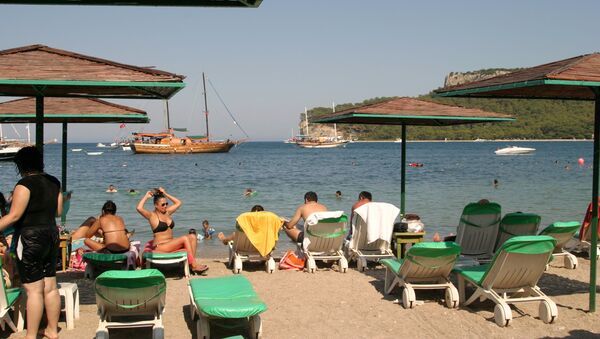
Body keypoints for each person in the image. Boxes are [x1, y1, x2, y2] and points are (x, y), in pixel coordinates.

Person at [0, 146, 62, 339]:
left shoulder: (24, 184)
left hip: (29, 237)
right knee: (50, 286)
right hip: (51, 234)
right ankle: (52, 330)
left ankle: (31, 335)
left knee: (33, 289)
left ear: (21, 164)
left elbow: (15, 215)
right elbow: (58, 212)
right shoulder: (54, 182)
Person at [136, 187, 208, 274]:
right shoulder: (152, 216)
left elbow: (178, 202)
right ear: (156, 205)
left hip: (171, 243)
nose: (165, 206)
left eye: (166, 204)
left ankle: (191, 264)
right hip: (161, 246)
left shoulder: (167, 212)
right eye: (163, 205)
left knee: (192, 236)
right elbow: (139, 208)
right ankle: (194, 266)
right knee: (184, 238)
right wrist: (146, 197)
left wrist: (165, 193)